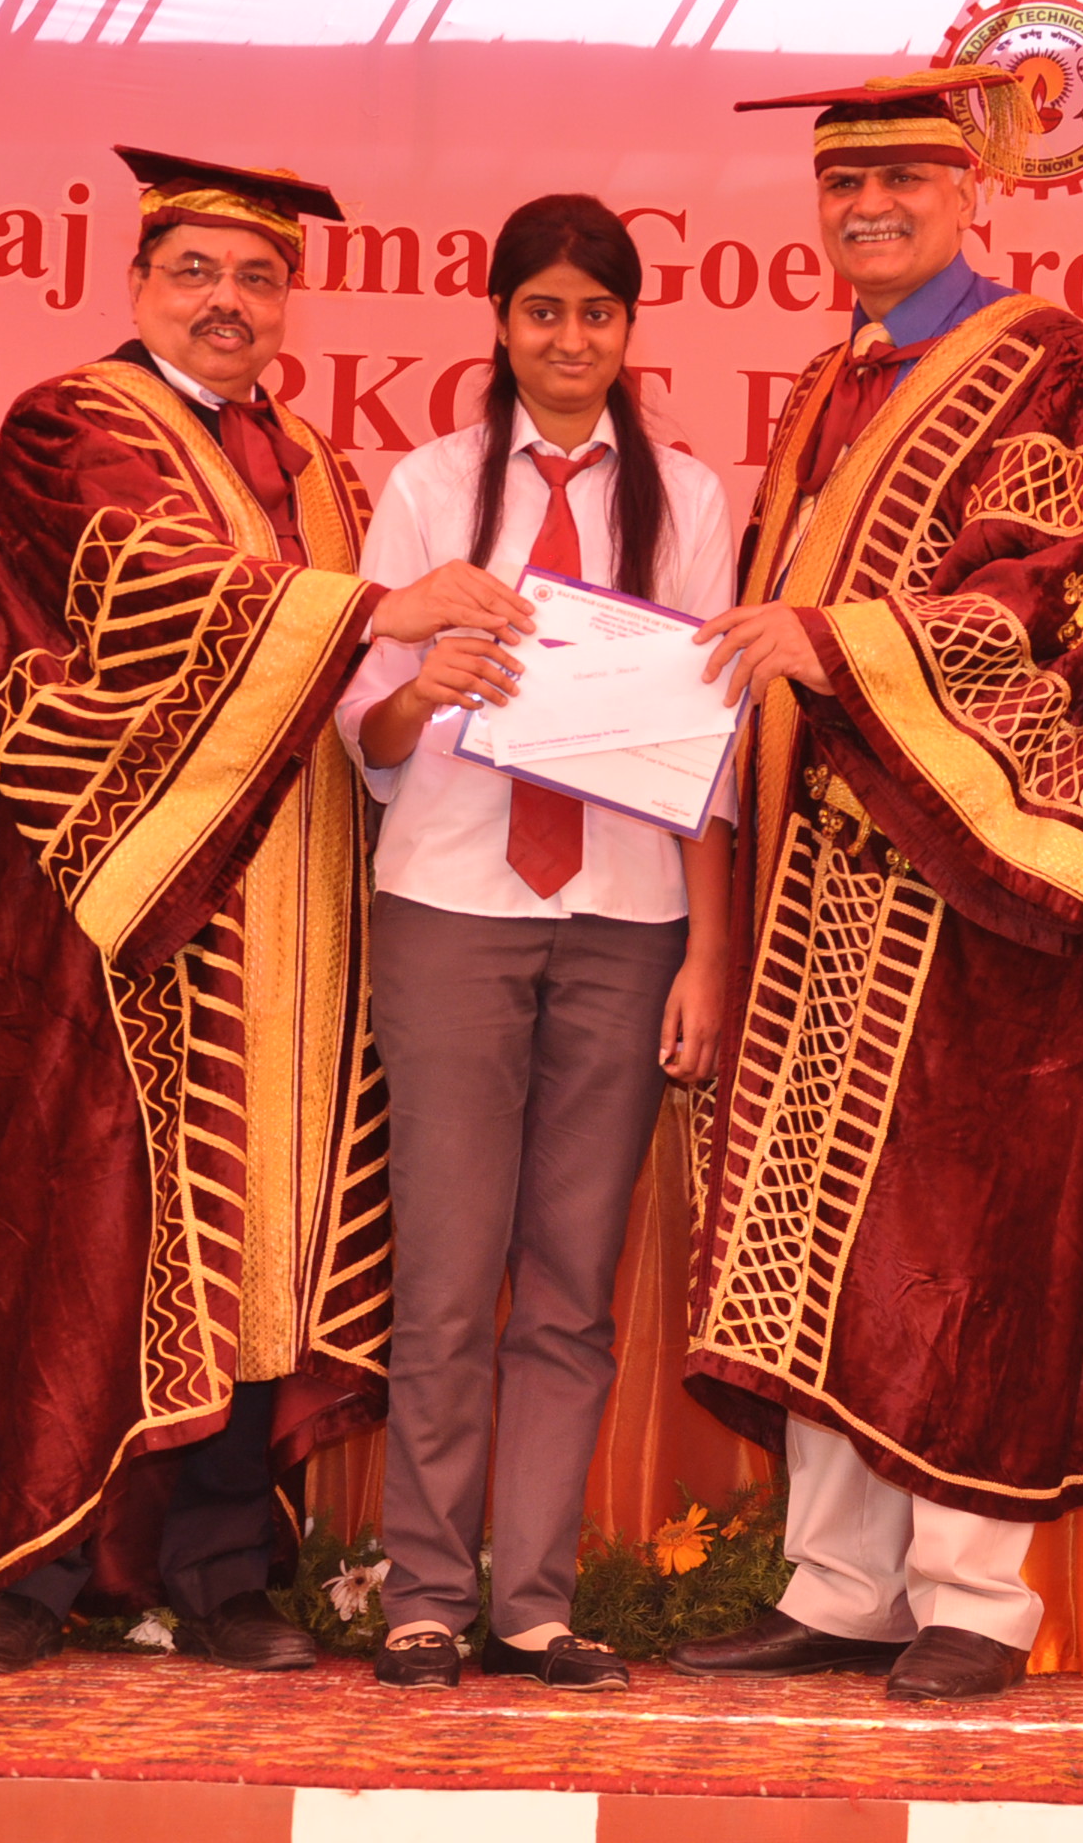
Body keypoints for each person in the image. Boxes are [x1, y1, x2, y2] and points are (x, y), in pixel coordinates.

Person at [0, 146, 530, 1675]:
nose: (229, 302)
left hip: (297, 912)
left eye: (260, 279)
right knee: (86, 1230)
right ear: (136, 282)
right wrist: (373, 611)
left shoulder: (319, 467)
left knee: (266, 1236)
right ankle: (32, 1572)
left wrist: (415, 674)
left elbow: (353, 689)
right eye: (195, 272)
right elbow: (145, 593)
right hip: (116, 917)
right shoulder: (68, 425)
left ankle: (219, 1568)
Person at [666, 66, 1083, 1703]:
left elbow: (1054, 599)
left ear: (973, 192)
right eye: (843, 184)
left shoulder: (1048, 363)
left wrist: (833, 643)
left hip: (969, 881)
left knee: (955, 1232)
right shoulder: (830, 382)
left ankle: (972, 1600)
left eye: (903, 181)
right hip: (814, 873)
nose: (868, 207)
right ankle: (839, 1585)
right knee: (818, 1222)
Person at [339, 195, 739, 1693]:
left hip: (627, 920)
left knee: (572, 1285)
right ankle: (426, 1599)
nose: (571, 338)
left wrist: (705, 952)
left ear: (630, 329)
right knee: (447, 1276)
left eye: (598, 312)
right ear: (500, 323)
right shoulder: (429, 486)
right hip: (452, 905)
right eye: (543, 310)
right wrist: (421, 681)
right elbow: (364, 729)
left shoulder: (687, 498)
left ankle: (534, 1607)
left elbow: (711, 746)